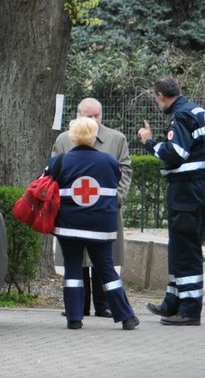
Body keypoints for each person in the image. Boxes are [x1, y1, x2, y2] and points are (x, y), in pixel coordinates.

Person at [46, 116, 139, 331]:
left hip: (69, 225)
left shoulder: (59, 162)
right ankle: (126, 317)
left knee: (72, 269)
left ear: (73, 136)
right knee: (107, 269)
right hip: (100, 226)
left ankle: (74, 318)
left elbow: (47, 183)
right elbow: (116, 182)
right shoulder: (109, 162)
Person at [138, 77, 205, 326]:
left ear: (160, 95)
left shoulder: (180, 116)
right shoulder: (198, 111)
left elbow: (175, 154)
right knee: (180, 246)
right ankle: (173, 302)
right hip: (200, 186)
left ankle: (190, 309)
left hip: (185, 189)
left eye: (155, 98)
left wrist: (149, 142)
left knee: (185, 248)